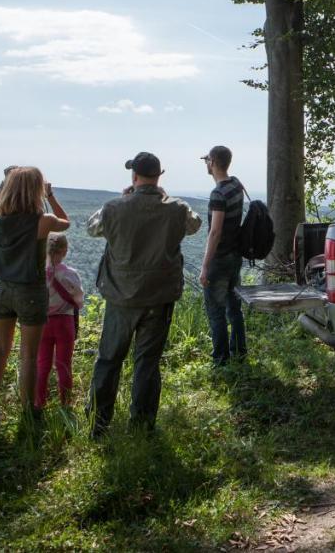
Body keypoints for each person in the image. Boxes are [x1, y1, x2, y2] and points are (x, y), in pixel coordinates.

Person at [86, 152, 201, 437]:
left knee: (109, 359)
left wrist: (125, 199)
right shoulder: (177, 208)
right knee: (147, 362)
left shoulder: (114, 207)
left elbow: (92, 228)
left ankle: (98, 424)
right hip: (159, 297)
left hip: (121, 297)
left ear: (133, 176)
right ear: (159, 176)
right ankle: (142, 426)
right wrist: (166, 197)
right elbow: (195, 225)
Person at [0, 166, 70, 429]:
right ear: (36, 190)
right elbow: (65, 223)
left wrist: (5, 180)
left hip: (2, 290)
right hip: (30, 291)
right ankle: (29, 410)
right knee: (29, 355)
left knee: (0, 350)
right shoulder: (42, 221)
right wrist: (50, 195)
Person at [198, 145, 247, 366]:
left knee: (216, 311)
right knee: (233, 307)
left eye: (207, 159)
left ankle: (221, 359)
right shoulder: (236, 185)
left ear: (213, 162)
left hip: (220, 259)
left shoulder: (218, 194)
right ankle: (240, 351)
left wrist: (205, 265)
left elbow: (215, 231)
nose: (206, 163)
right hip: (235, 255)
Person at [35, 232, 84, 411]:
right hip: (65, 324)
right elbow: (79, 301)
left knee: (42, 365)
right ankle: (66, 405)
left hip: (43, 324)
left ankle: (39, 404)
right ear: (65, 250)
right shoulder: (71, 274)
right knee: (64, 365)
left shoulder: (39, 273)